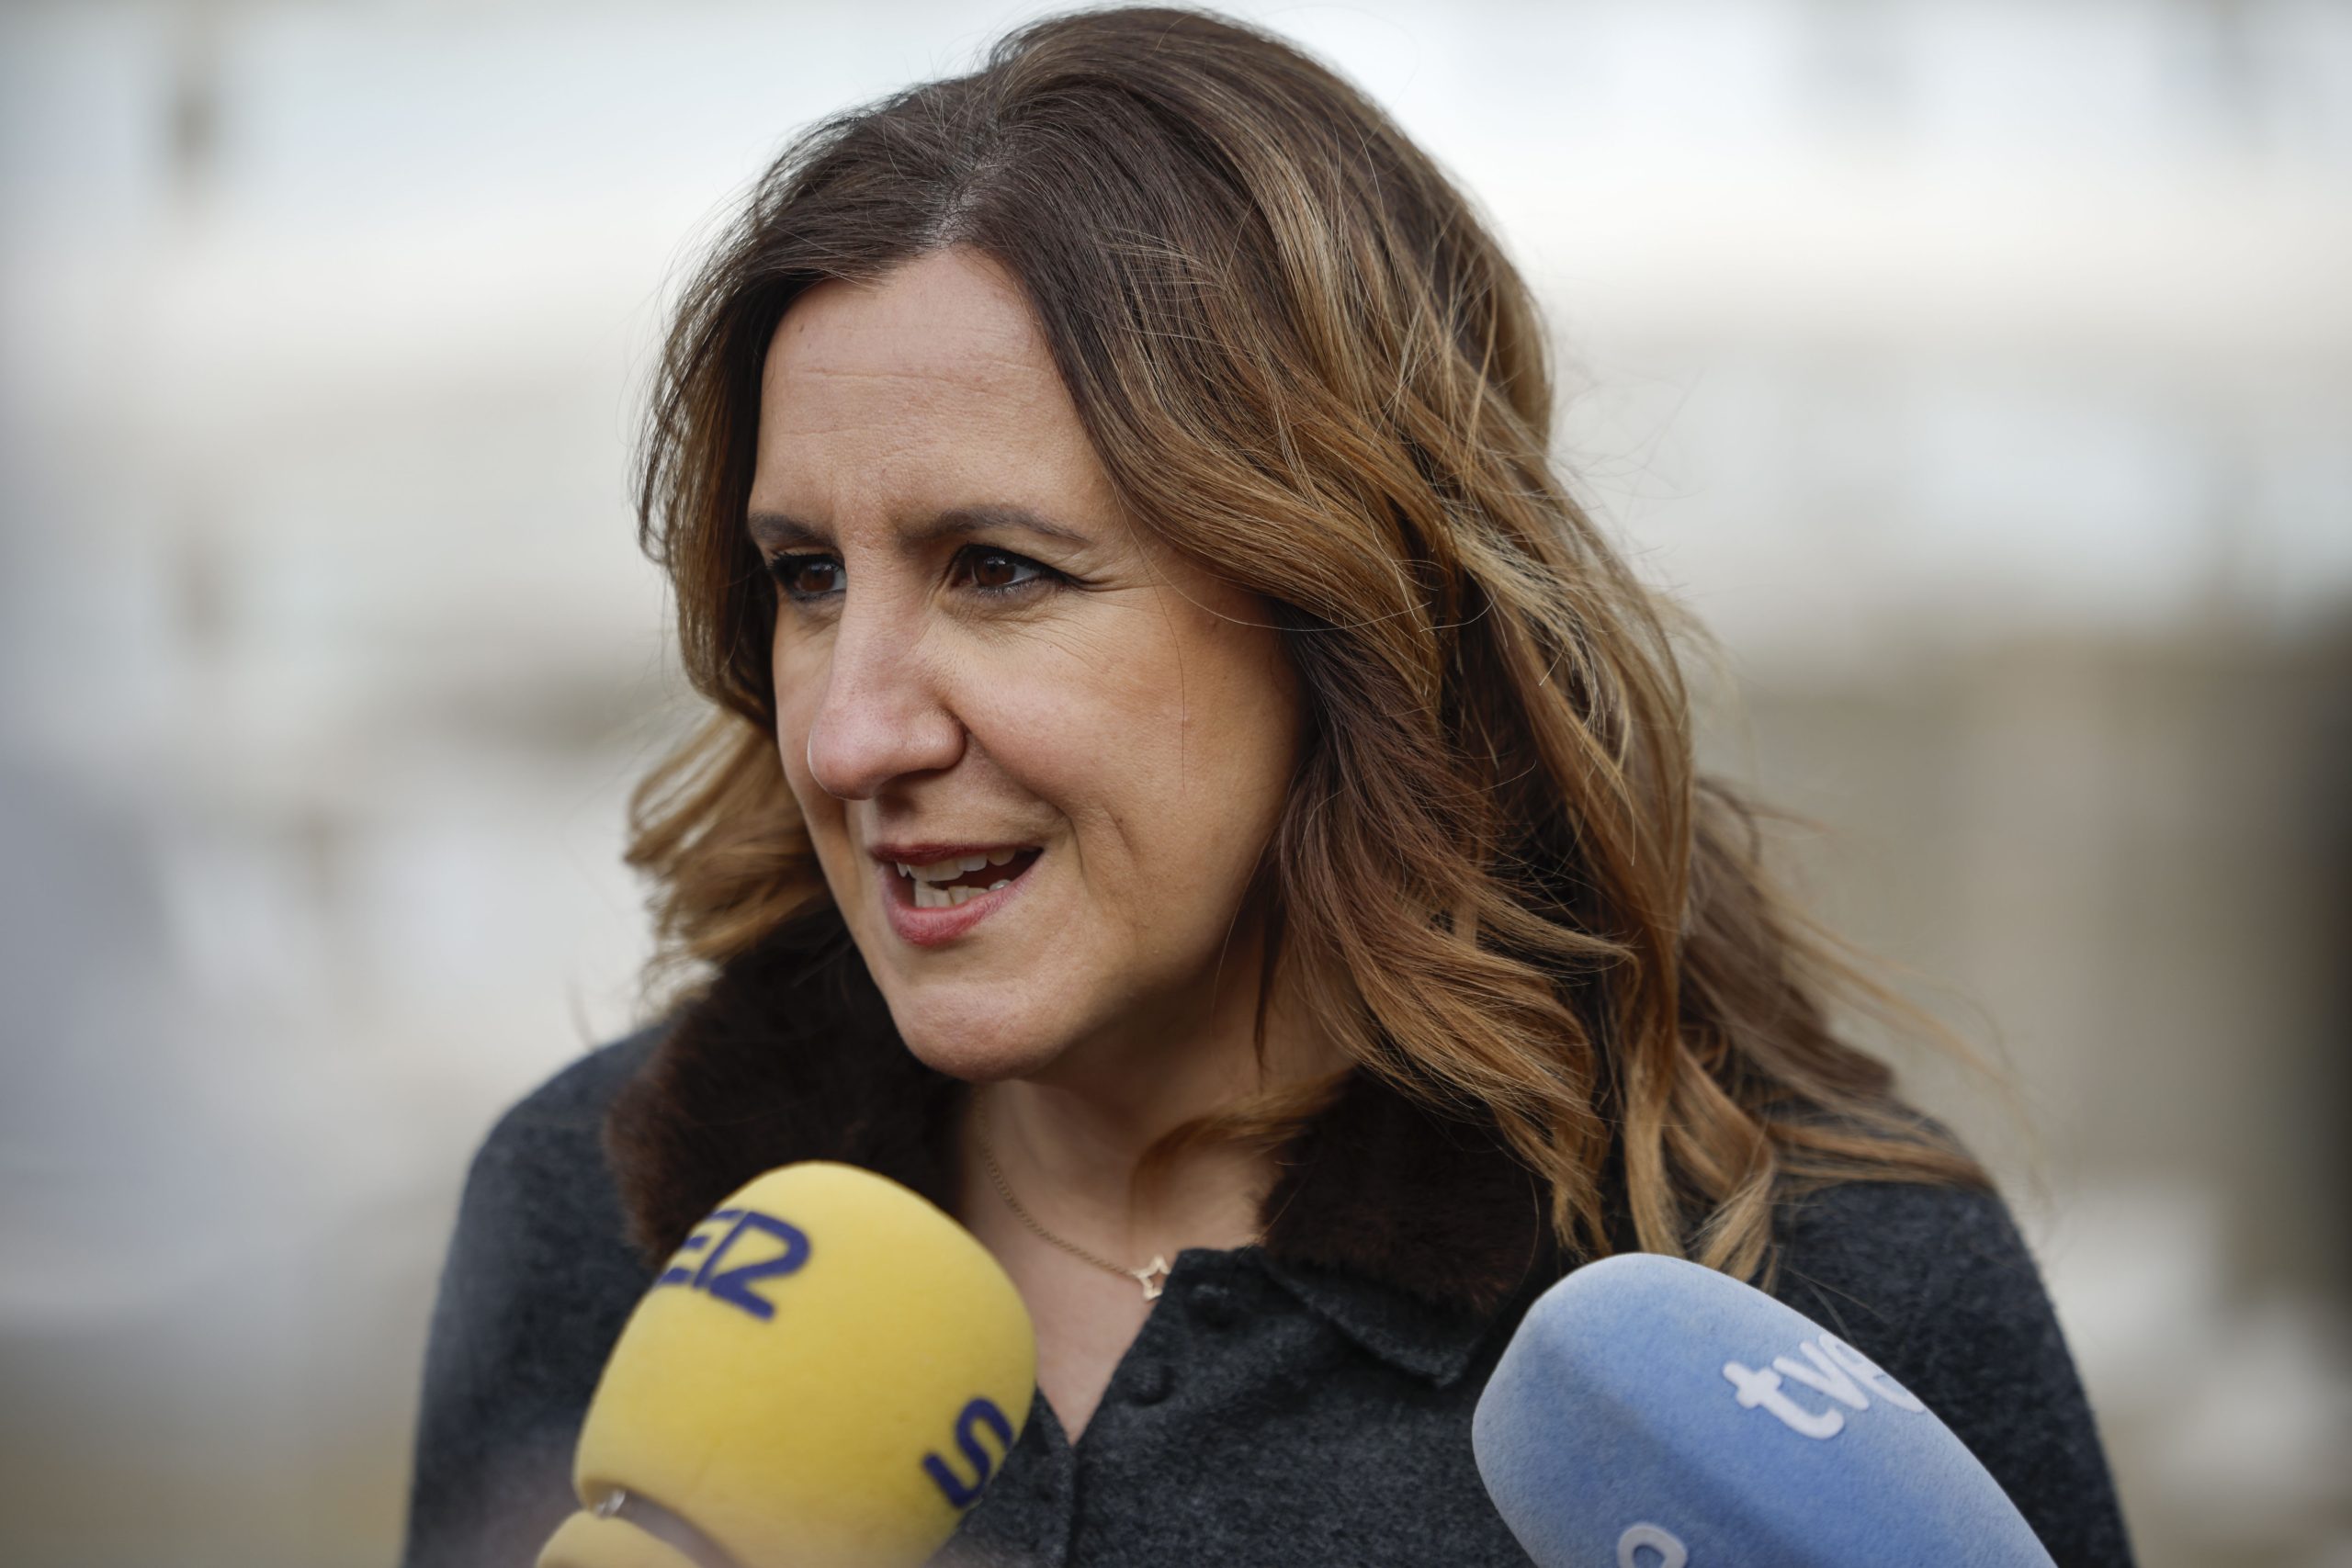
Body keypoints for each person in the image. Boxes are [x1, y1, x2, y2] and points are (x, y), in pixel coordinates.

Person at [400, 7, 2134, 1565]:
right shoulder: (597, 1207)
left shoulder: (1816, 1321)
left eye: (999, 570)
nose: (851, 738)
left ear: (1348, 612)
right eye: (805, 577)